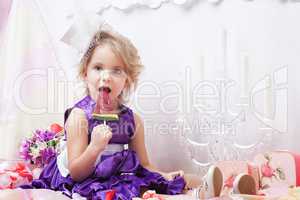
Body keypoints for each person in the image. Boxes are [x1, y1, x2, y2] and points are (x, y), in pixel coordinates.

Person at [21, 28, 256, 199]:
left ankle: (227, 188)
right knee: (133, 191)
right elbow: (76, 172)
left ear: (127, 80)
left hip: (118, 174)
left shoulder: (132, 120)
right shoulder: (79, 117)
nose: (106, 76)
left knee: (177, 178)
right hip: (87, 179)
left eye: (116, 70)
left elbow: (145, 164)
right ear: (85, 73)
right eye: (98, 68)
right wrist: (95, 147)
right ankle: (202, 194)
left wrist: (165, 175)